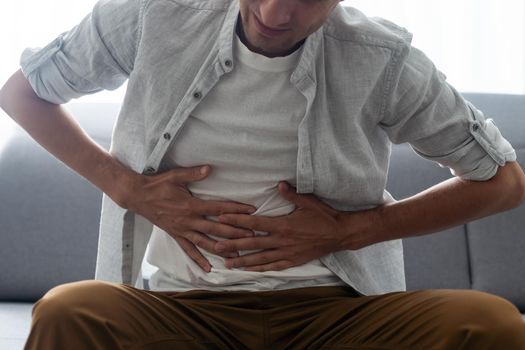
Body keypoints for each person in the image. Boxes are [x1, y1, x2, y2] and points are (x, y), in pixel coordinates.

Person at [1, 0, 525, 348]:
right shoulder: (154, 14)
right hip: (182, 311)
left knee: (492, 325)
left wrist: (354, 230)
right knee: (68, 311)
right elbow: (22, 92)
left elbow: (503, 181)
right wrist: (127, 188)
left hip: (333, 316)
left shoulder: (383, 59)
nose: (276, 12)